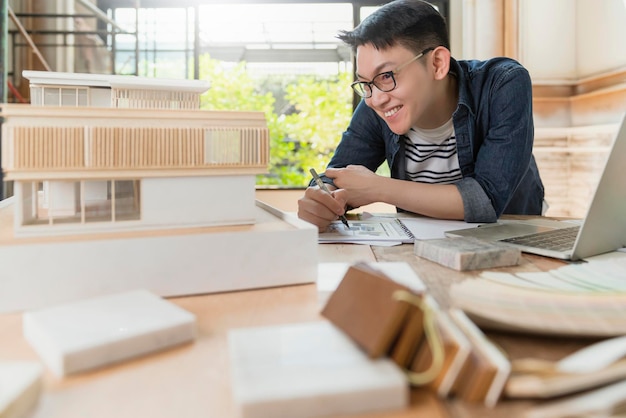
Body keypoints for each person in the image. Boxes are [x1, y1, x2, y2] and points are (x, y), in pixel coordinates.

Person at [297, 0, 545, 231]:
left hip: (510, 235)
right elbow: (335, 176)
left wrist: (378, 188)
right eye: (365, 83)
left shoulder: (502, 84)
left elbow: (486, 200)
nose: (375, 98)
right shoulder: (378, 104)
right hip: (424, 242)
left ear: (437, 64)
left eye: (386, 76)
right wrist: (321, 199)